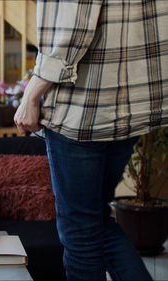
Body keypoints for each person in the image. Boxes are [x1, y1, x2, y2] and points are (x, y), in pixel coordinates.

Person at [14, 1, 167, 280]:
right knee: (94, 220)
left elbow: (71, 31)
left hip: (83, 109)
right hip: (131, 106)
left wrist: (31, 94)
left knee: (81, 232)